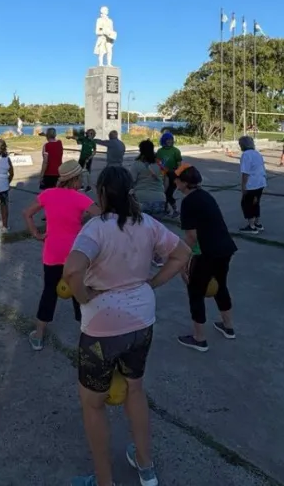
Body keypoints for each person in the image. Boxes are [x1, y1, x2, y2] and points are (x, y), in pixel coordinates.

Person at [63, 166, 191, 486]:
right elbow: (183, 253)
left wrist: (84, 296)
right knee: (135, 389)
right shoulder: (147, 224)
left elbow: (72, 271)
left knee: (93, 404)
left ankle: (105, 481)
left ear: (102, 193)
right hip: (141, 319)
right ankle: (146, 467)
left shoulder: (96, 228)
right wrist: (151, 283)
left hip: (101, 326)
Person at [23, 160, 98, 351]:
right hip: (76, 254)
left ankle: (38, 335)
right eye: (80, 177)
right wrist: (84, 223)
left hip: (52, 252)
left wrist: (36, 233)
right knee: (79, 293)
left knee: (49, 292)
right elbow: (100, 214)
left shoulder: (47, 194)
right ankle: (87, 336)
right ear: (74, 179)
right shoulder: (80, 198)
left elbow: (27, 213)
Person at [175, 165, 238, 350]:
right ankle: (228, 327)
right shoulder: (205, 195)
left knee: (195, 291)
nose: (175, 181)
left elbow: (191, 237)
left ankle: (199, 338)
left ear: (185, 183)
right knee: (220, 285)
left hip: (207, 252)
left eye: (177, 179)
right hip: (225, 248)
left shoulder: (188, 202)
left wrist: (182, 262)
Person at [238, 136, 267, 233]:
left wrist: (243, 186)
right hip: (260, 181)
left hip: (252, 183)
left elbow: (245, 172)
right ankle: (257, 223)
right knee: (256, 202)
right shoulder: (257, 153)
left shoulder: (246, 155)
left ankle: (251, 226)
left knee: (247, 203)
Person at [129, 140, 165, 216]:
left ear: (140, 150)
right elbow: (165, 179)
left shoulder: (136, 164)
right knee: (156, 226)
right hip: (160, 198)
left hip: (141, 198)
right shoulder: (160, 163)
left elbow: (130, 181)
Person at [156, 132, 182, 217]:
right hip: (163, 175)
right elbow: (157, 162)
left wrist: (179, 175)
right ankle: (165, 209)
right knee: (163, 193)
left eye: (171, 139)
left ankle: (176, 210)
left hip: (173, 175)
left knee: (168, 194)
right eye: (168, 140)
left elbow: (179, 164)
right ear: (164, 140)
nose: (170, 141)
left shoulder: (176, 151)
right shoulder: (160, 151)